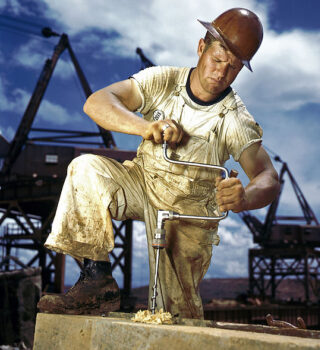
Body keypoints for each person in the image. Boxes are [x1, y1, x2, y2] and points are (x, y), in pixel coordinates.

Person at [37, 8, 280, 319]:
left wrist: (246, 197)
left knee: (175, 315)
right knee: (86, 169)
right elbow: (96, 102)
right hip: (142, 183)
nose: (221, 73)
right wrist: (143, 127)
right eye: (217, 60)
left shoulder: (233, 118)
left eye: (232, 68)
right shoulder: (162, 81)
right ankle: (97, 281)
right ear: (201, 47)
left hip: (188, 214)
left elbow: (268, 176)